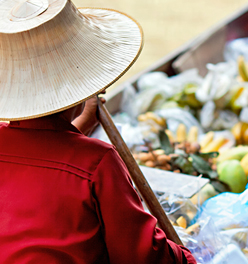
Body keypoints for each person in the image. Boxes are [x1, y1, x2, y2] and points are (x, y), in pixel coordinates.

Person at [0, 0, 196, 263]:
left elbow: (43, 166)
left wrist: (80, 126)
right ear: (83, 87)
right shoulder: (97, 162)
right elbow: (141, 256)